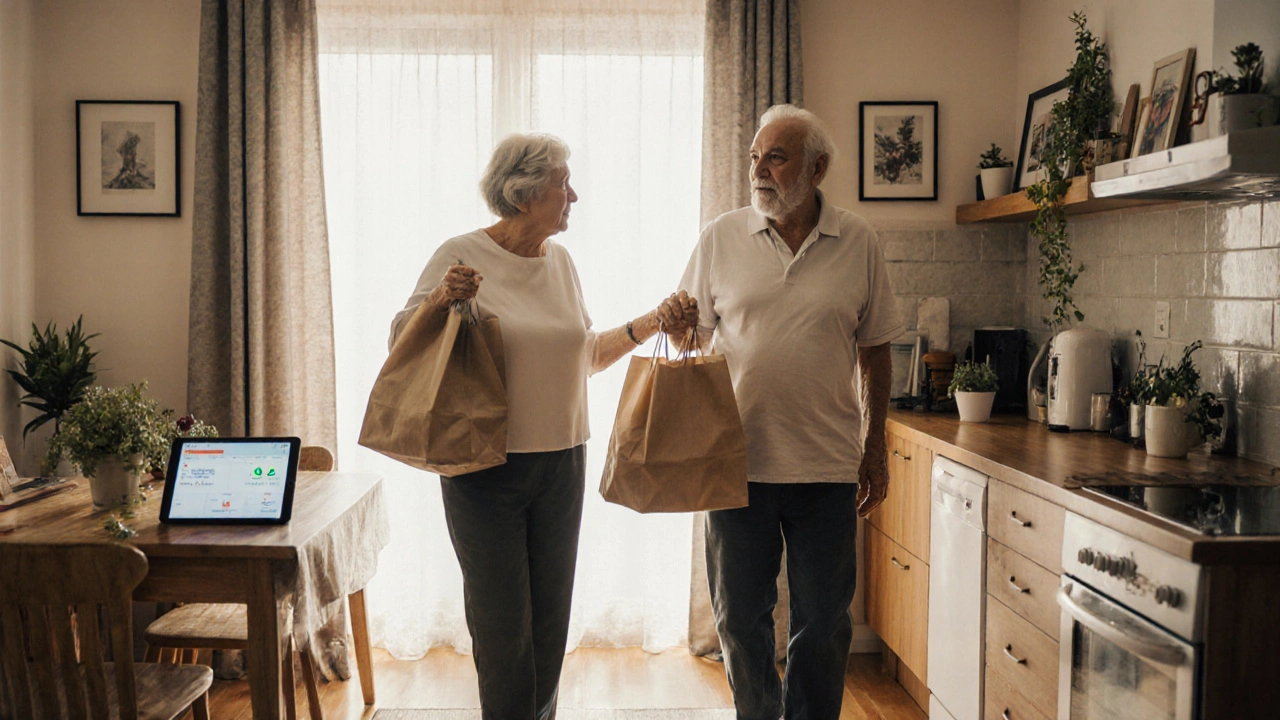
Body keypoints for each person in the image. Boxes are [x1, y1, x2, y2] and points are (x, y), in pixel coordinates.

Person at [388, 133, 697, 720]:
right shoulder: (461, 253)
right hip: (484, 467)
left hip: (563, 462)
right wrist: (440, 298)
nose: (572, 195)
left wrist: (652, 321)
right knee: (503, 628)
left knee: (550, 624)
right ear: (524, 193)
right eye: (563, 183)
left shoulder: (561, 263)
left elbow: (585, 355)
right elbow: (402, 341)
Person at [674, 104, 903, 719]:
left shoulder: (858, 240)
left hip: (826, 466)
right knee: (739, 620)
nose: (759, 170)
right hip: (735, 464)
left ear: (817, 168)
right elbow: (691, 338)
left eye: (776, 158)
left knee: (824, 623)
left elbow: (876, 348)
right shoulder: (721, 236)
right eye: (755, 157)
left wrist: (875, 447)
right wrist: (674, 324)